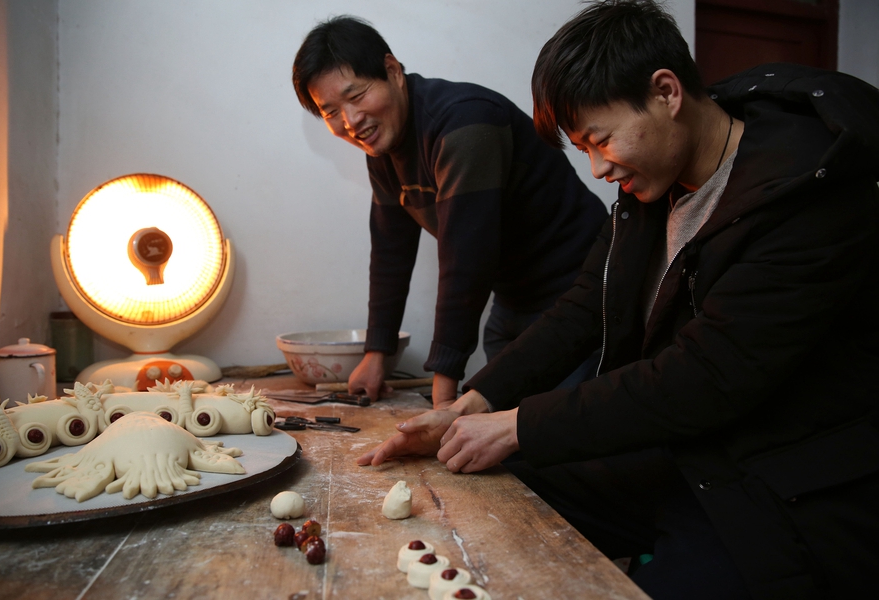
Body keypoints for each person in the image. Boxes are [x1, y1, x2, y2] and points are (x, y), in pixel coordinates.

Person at [358, 1, 879, 597]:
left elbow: (706, 376)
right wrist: (475, 402)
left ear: (666, 92)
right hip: (684, 453)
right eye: (583, 148)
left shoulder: (807, 194)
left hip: (781, 479)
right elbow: (585, 305)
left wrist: (521, 424)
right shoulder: (654, 187)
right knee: (482, 490)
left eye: (600, 140)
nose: (598, 168)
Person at [292, 16, 606, 408]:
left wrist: (442, 399)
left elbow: (466, 259)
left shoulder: (464, 123)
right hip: (512, 302)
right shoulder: (383, 147)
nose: (351, 121)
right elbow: (390, 252)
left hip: (581, 292)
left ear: (392, 71)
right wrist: (377, 355)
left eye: (356, 96)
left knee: (549, 432)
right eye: (330, 111)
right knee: (504, 432)